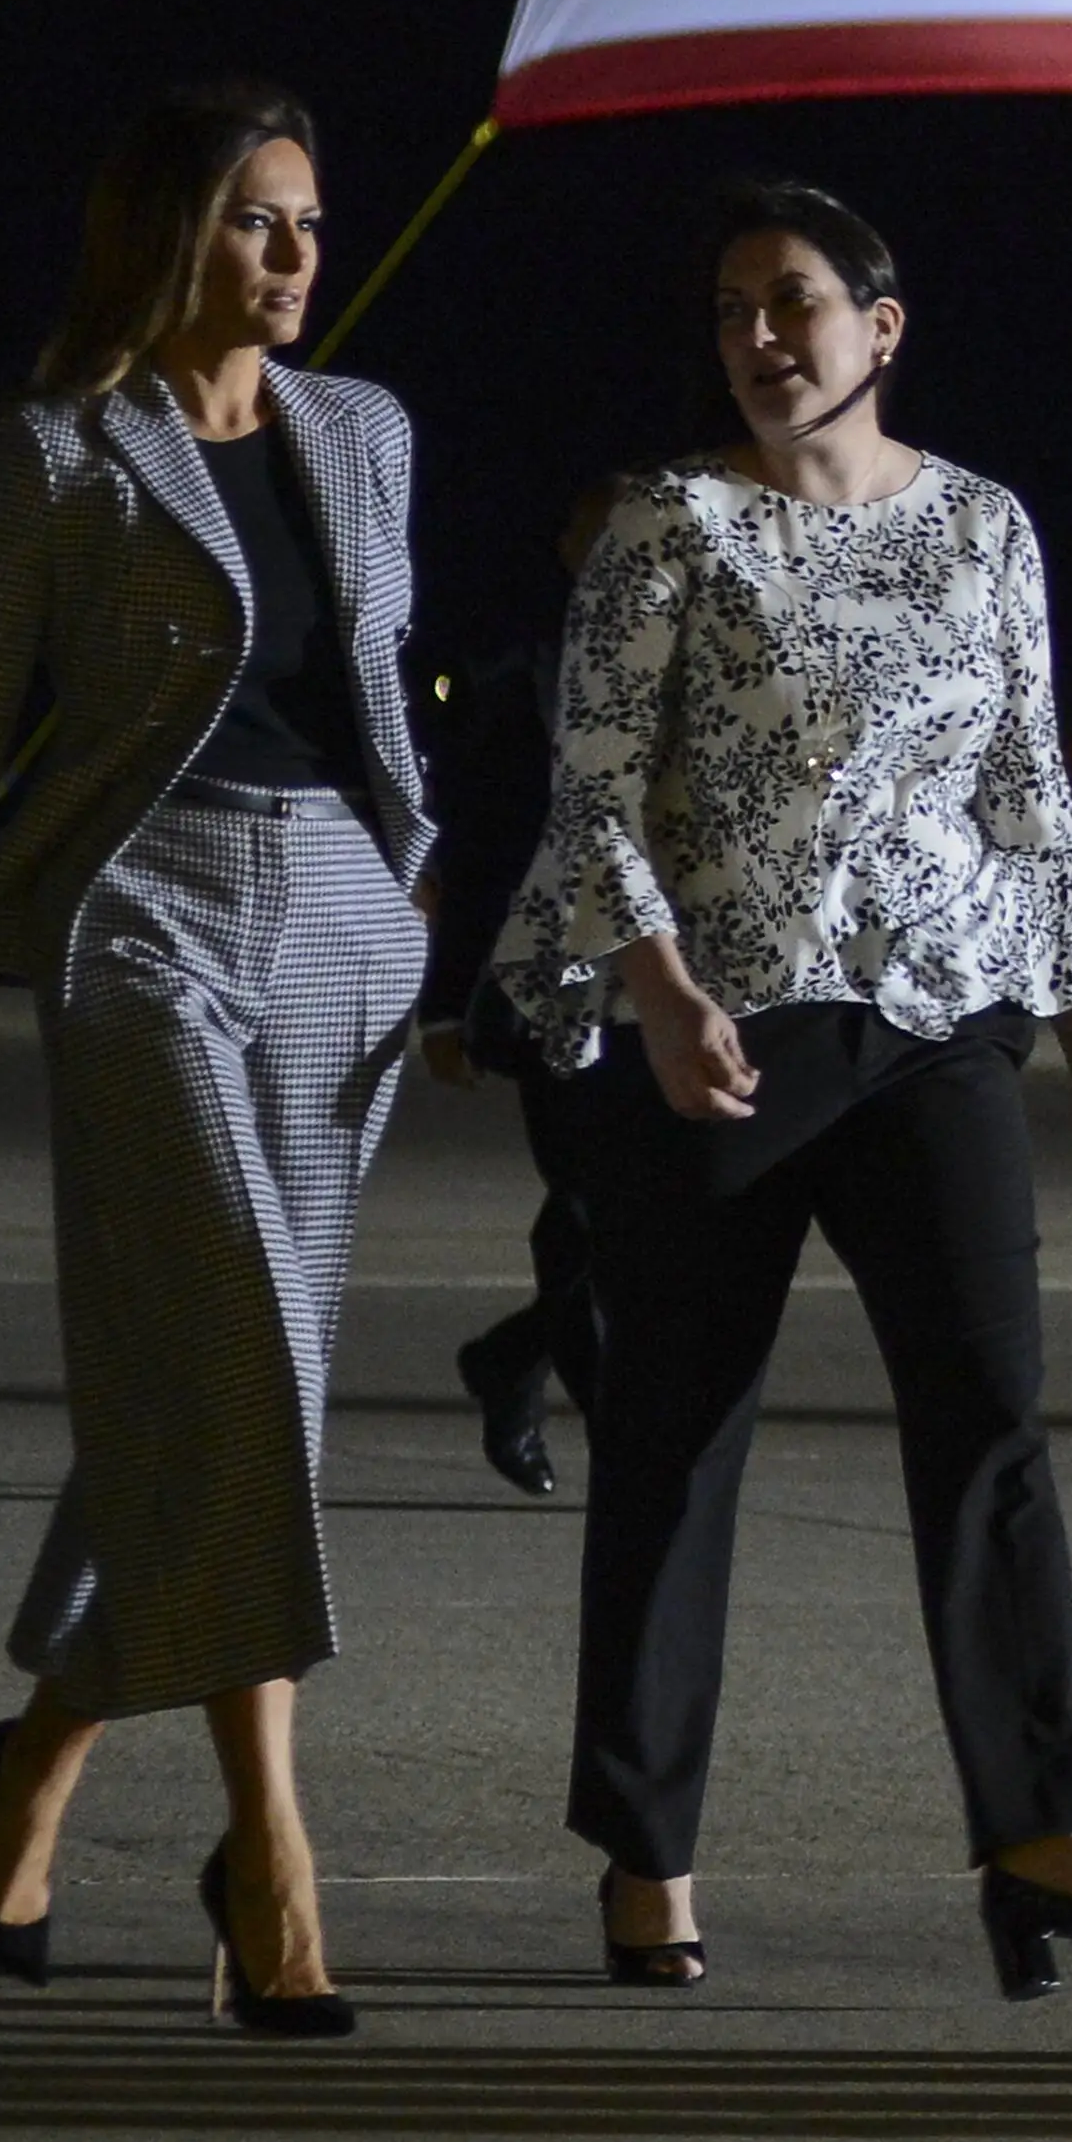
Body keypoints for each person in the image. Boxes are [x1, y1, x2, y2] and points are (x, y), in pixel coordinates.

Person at [495, 179, 1072, 2000]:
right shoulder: (671, 524)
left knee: (991, 1416)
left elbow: (1034, 790)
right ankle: (648, 1848)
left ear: (880, 329)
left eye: (794, 301)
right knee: (678, 1433)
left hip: (939, 1019)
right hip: (726, 1031)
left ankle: (1038, 1826)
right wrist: (656, 992)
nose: (758, 335)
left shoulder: (983, 526)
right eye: (733, 304)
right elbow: (590, 792)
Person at [0, 79, 435, 2040]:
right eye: (260, 221)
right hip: (144, 916)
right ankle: (270, 1856)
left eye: (315, 222)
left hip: (341, 919)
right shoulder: (64, 446)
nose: (297, 255)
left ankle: (39, 1767)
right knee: (241, 1362)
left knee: (203, 1393)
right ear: (172, 235)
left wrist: (433, 918)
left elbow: (376, 701)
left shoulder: (368, 428)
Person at [424, 476, 628, 1493]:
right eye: (596, 525)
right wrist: (443, 1000)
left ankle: (515, 1361)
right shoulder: (529, 673)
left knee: (624, 1210)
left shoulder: (695, 654)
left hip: (670, 984)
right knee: (591, 1203)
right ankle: (588, 1405)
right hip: (558, 984)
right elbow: (483, 842)